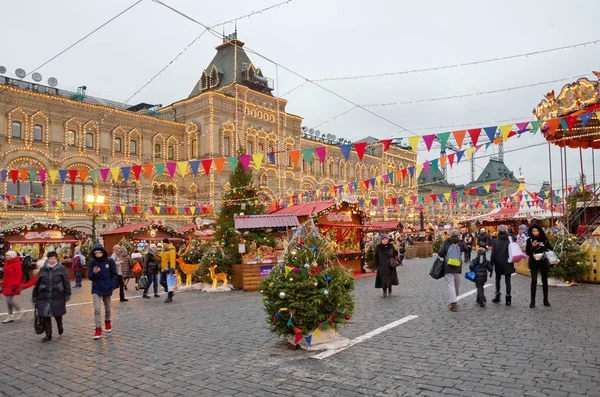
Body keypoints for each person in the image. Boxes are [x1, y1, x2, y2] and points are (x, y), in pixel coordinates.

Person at [32, 251, 71, 342]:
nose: (52, 260)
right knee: (46, 315)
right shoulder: (43, 269)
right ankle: (48, 335)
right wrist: (35, 296)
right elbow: (37, 283)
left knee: (57, 314)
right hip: (44, 296)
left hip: (57, 295)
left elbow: (66, 282)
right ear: (48, 259)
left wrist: (67, 294)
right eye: (50, 258)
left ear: (56, 258)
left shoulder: (61, 269)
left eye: (54, 258)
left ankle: (59, 325)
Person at [88, 244, 118, 339]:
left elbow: (114, 274)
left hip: (107, 287)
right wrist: (94, 273)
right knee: (97, 309)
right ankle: (98, 328)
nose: (97, 254)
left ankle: (107, 321)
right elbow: (90, 277)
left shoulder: (109, 261)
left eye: (99, 252)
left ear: (103, 252)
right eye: (95, 253)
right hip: (96, 288)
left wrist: (112, 285)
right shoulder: (92, 262)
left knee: (108, 308)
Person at [526, 225, 553, 308]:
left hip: (543, 262)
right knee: (533, 281)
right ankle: (532, 301)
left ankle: (546, 300)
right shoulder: (529, 240)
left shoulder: (544, 239)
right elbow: (528, 252)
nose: (535, 233)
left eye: (536, 231)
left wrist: (542, 246)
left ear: (539, 231)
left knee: (545, 280)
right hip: (534, 262)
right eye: (533, 231)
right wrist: (533, 247)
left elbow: (550, 249)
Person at [438, 229, 465, 311]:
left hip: (448, 266)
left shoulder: (446, 242)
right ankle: (455, 297)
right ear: (458, 235)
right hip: (457, 266)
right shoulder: (460, 243)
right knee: (457, 284)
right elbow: (467, 249)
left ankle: (453, 303)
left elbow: (440, 253)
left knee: (450, 284)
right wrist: (462, 241)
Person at [490, 224, 514, 306]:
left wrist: (491, 264)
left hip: (498, 263)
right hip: (508, 262)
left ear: (498, 231)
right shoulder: (510, 239)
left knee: (498, 279)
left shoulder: (496, 240)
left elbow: (493, 254)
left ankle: (498, 296)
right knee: (508, 281)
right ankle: (508, 297)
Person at [2, 251, 25, 324]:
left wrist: (15, 285)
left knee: (9, 300)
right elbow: (5, 275)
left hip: (12, 285)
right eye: (6, 255)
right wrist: (3, 285)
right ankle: (10, 316)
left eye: (8, 255)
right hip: (7, 284)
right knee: (8, 301)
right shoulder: (7, 263)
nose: (6, 257)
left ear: (12, 256)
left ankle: (20, 310)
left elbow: (18, 275)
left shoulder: (16, 264)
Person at [160, 238, 177, 303]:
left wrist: (172, 269)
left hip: (169, 268)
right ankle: (170, 291)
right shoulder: (164, 250)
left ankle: (169, 297)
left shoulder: (171, 249)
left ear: (166, 243)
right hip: (164, 269)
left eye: (163, 243)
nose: (163, 244)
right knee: (161, 281)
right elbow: (162, 259)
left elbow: (172, 260)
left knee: (170, 283)